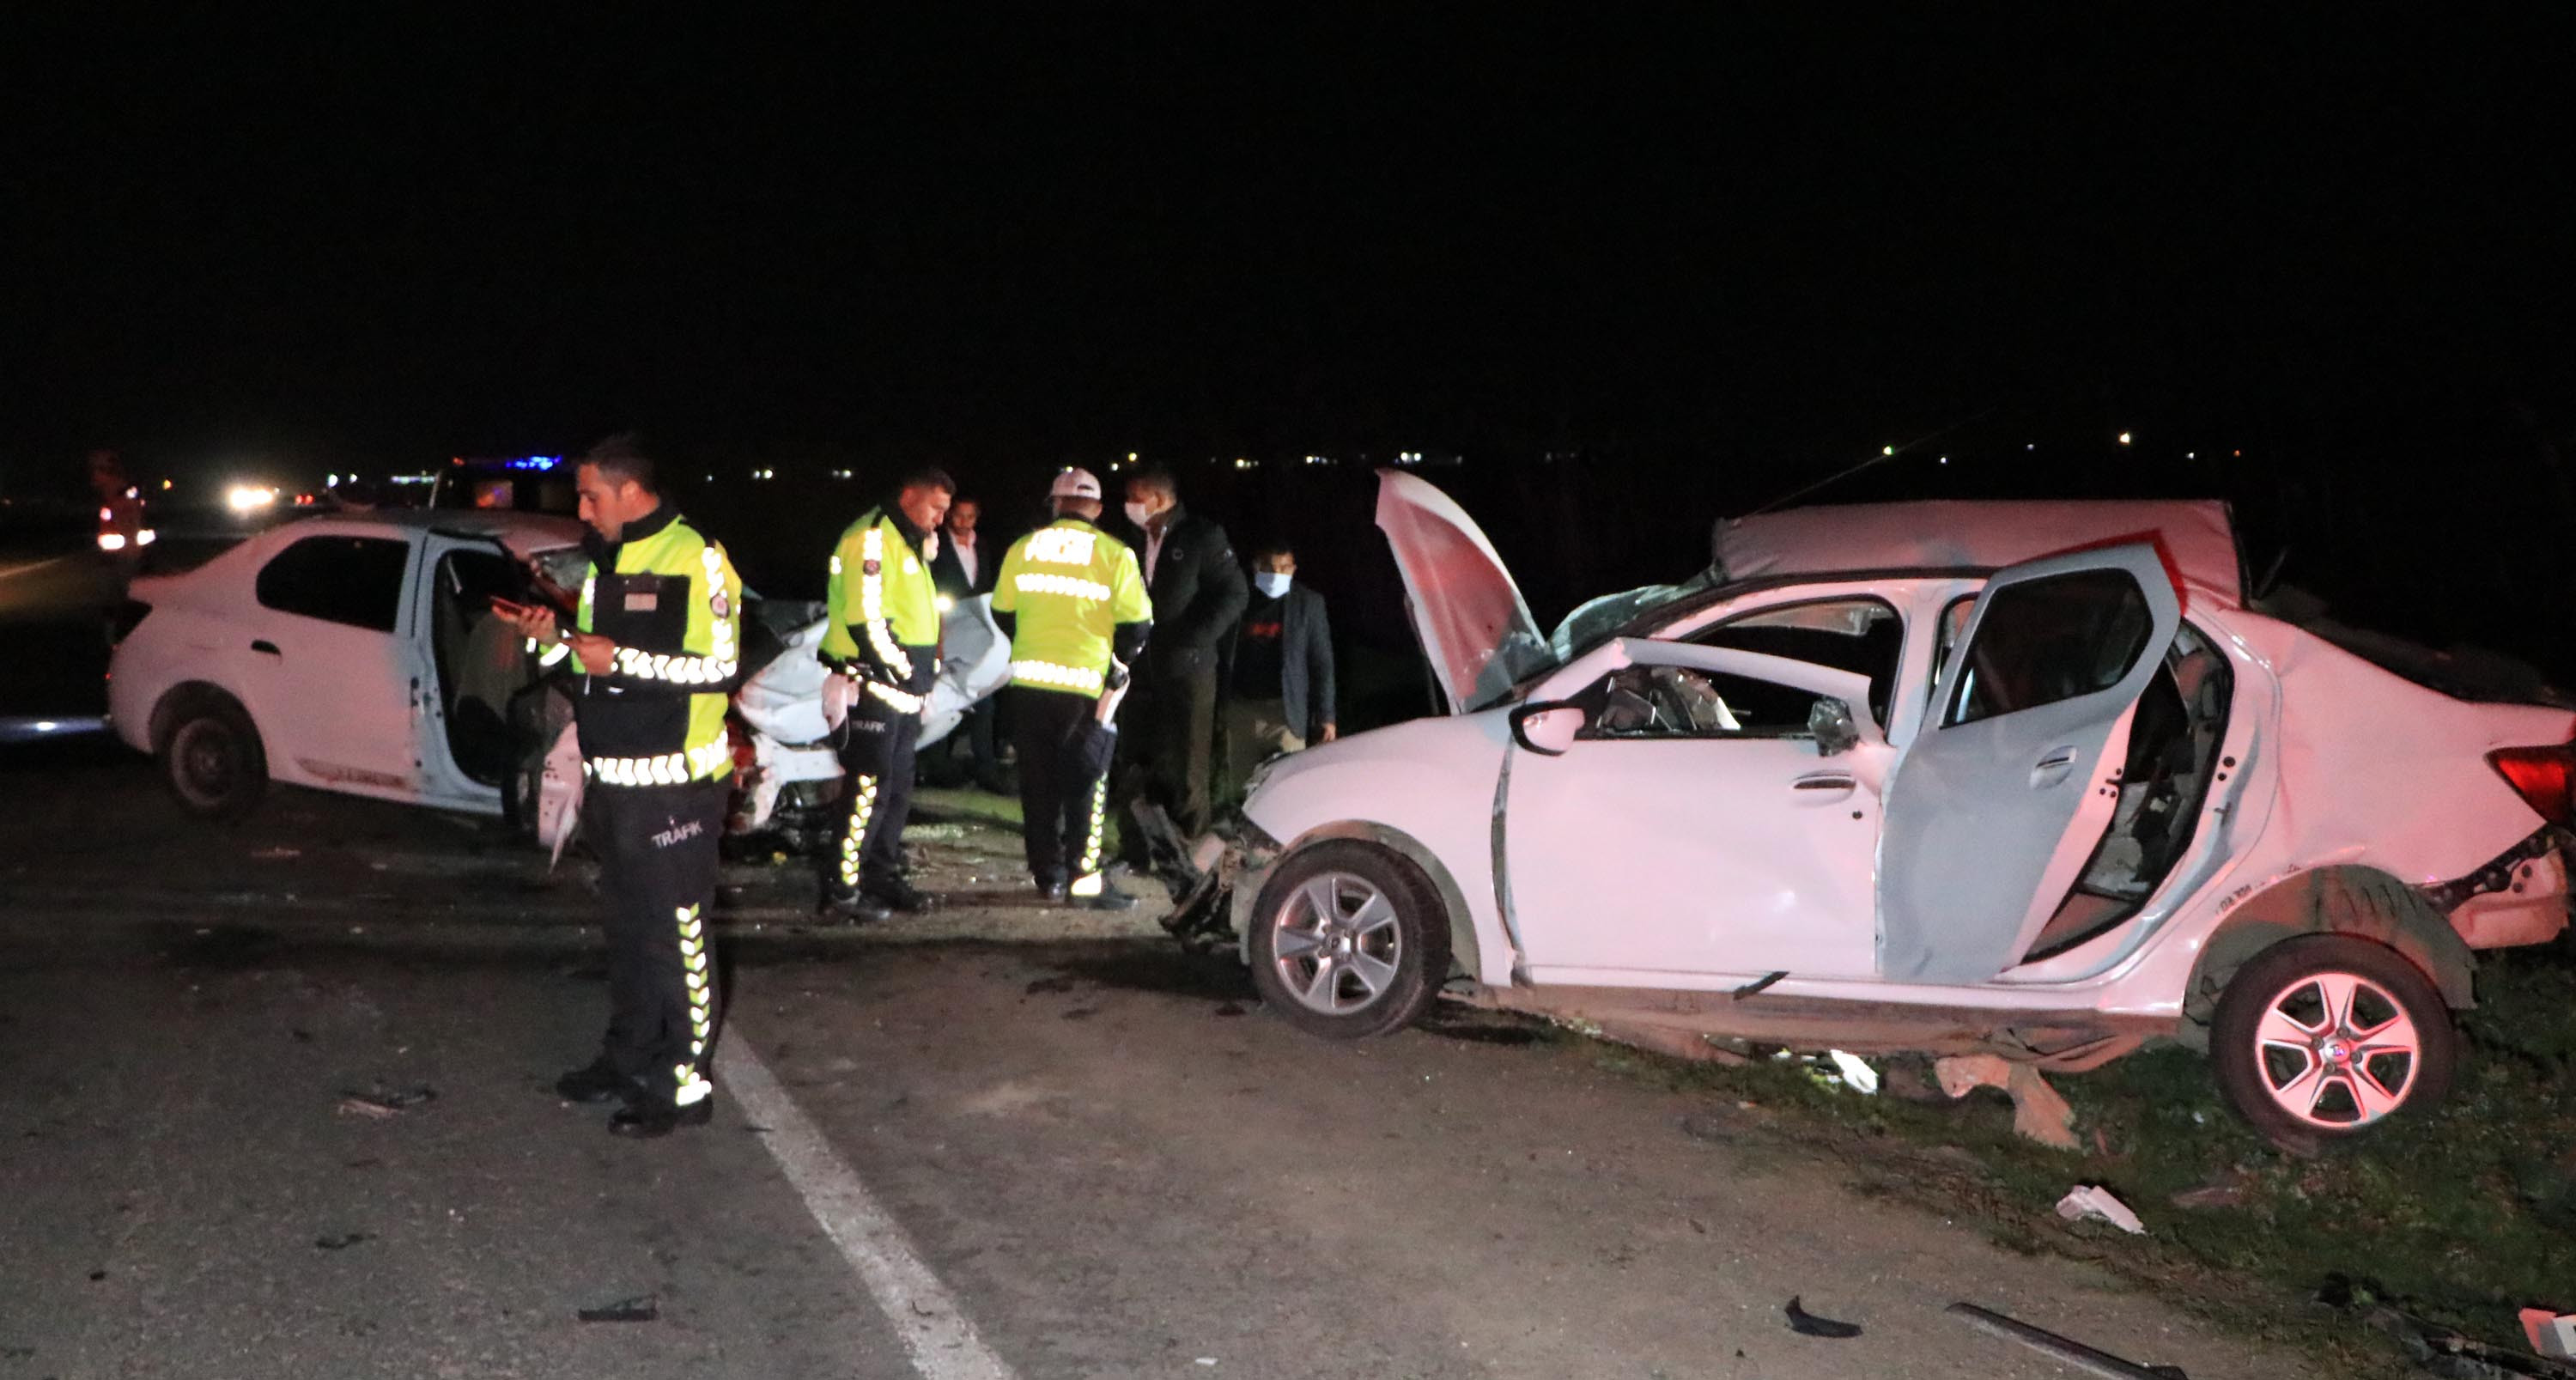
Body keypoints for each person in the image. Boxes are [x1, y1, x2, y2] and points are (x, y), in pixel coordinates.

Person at [498, 435, 742, 1139]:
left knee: (679, 938)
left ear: (631, 491)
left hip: (676, 787)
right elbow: (595, 663)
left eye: (591, 496)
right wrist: (553, 636)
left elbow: (720, 665)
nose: (582, 509)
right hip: (615, 783)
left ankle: (684, 1085)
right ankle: (629, 1055)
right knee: (630, 933)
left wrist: (624, 658)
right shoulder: (610, 560)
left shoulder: (696, 556)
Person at [990, 468, 1151, 905]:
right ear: (1096, 509)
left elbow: (1002, 612)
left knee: (1037, 786)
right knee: (1087, 782)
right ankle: (1085, 879)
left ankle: (1049, 877)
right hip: (1086, 688)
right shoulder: (1115, 554)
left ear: (1056, 504)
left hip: (1028, 685)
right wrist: (1117, 665)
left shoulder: (1022, 548)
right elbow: (1137, 625)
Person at [817, 469, 954, 922]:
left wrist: (922, 676)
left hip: (902, 690)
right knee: (867, 791)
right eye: (935, 508)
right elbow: (868, 620)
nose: (940, 519)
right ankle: (842, 890)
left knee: (894, 790)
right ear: (908, 494)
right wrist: (904, 672)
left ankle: (880, 874)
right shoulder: (872, 539)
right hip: (873, 684)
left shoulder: (908, 542)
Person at [1113, 465, 1247, 864]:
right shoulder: (1129, 540)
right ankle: (1135, 852)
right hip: (1138, 669)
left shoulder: (1201, 536)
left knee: (1187, 770)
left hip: (1188, 671)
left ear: (1159, 498)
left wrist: (1193, 638)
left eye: (1136, 497)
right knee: (1135, 764)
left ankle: (1189, 856)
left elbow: (1234, 593)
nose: (1129, 505)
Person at [1218, 540, 1336, 800]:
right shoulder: (1239, 600)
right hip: (1242, 712)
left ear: (1293, 569)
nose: (1276, 574)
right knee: (1243, 793)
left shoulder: (1308, 603)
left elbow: (1322, 663)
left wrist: (1326, 716)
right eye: (1269, 568)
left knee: (1289, 792)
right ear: (1255, 567)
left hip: (1285, 714)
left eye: (1284, 568)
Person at [928, 495, 1005, 791]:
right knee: (943, 697)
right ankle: (938, 767)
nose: (964, 522)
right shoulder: (936, 545)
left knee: (984, 702)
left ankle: (987, 768)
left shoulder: (982, 546)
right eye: (959, 515)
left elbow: (985, 586)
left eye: (970, 516)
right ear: (950, 515)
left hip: (977, 632)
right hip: (944, 629)